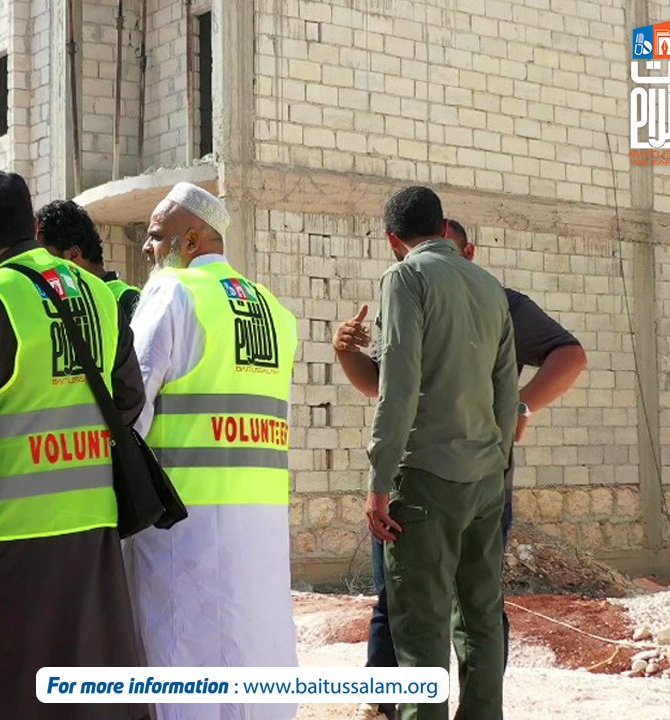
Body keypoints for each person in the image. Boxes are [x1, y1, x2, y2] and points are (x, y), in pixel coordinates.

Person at [0, 171, 149, 720]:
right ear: (36, 226)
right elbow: (129, 398)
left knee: (4, 692)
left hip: (5, 538)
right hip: (92, 527)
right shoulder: (96, 291)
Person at [335, 219, 587, 720]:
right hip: (479, 480)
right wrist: (347, 352)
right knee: (423, 608)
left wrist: (522, 408)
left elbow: (570, 354)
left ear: (468, 251)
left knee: (433, 617)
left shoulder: (483, 295)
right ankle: (387, 707)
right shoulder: (450, 292)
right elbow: (388, 386)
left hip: (436, 479)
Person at [127, 182, 299, 720]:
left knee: (183, 654)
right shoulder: (273, 309)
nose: (147, 250)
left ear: (191, 239)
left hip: (182, 520)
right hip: (262, 518)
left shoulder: (172, 293)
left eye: (156, 237)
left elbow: (132, 400)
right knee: (255, 646)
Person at [361, 187, 518, 720]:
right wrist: (495, 468)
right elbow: (506, 392)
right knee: (480, 618)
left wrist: (380, 480)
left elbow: (398, 388)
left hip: (425, 479)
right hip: (485, 480)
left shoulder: (405, 278)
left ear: (392, 239)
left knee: (421, 629)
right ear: (444, 226)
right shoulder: (490, 286)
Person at [36, 199, 142, 321]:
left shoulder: (128, 300)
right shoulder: (61, 303)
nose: (42, 269)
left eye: (46, 259)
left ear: (73, 254)